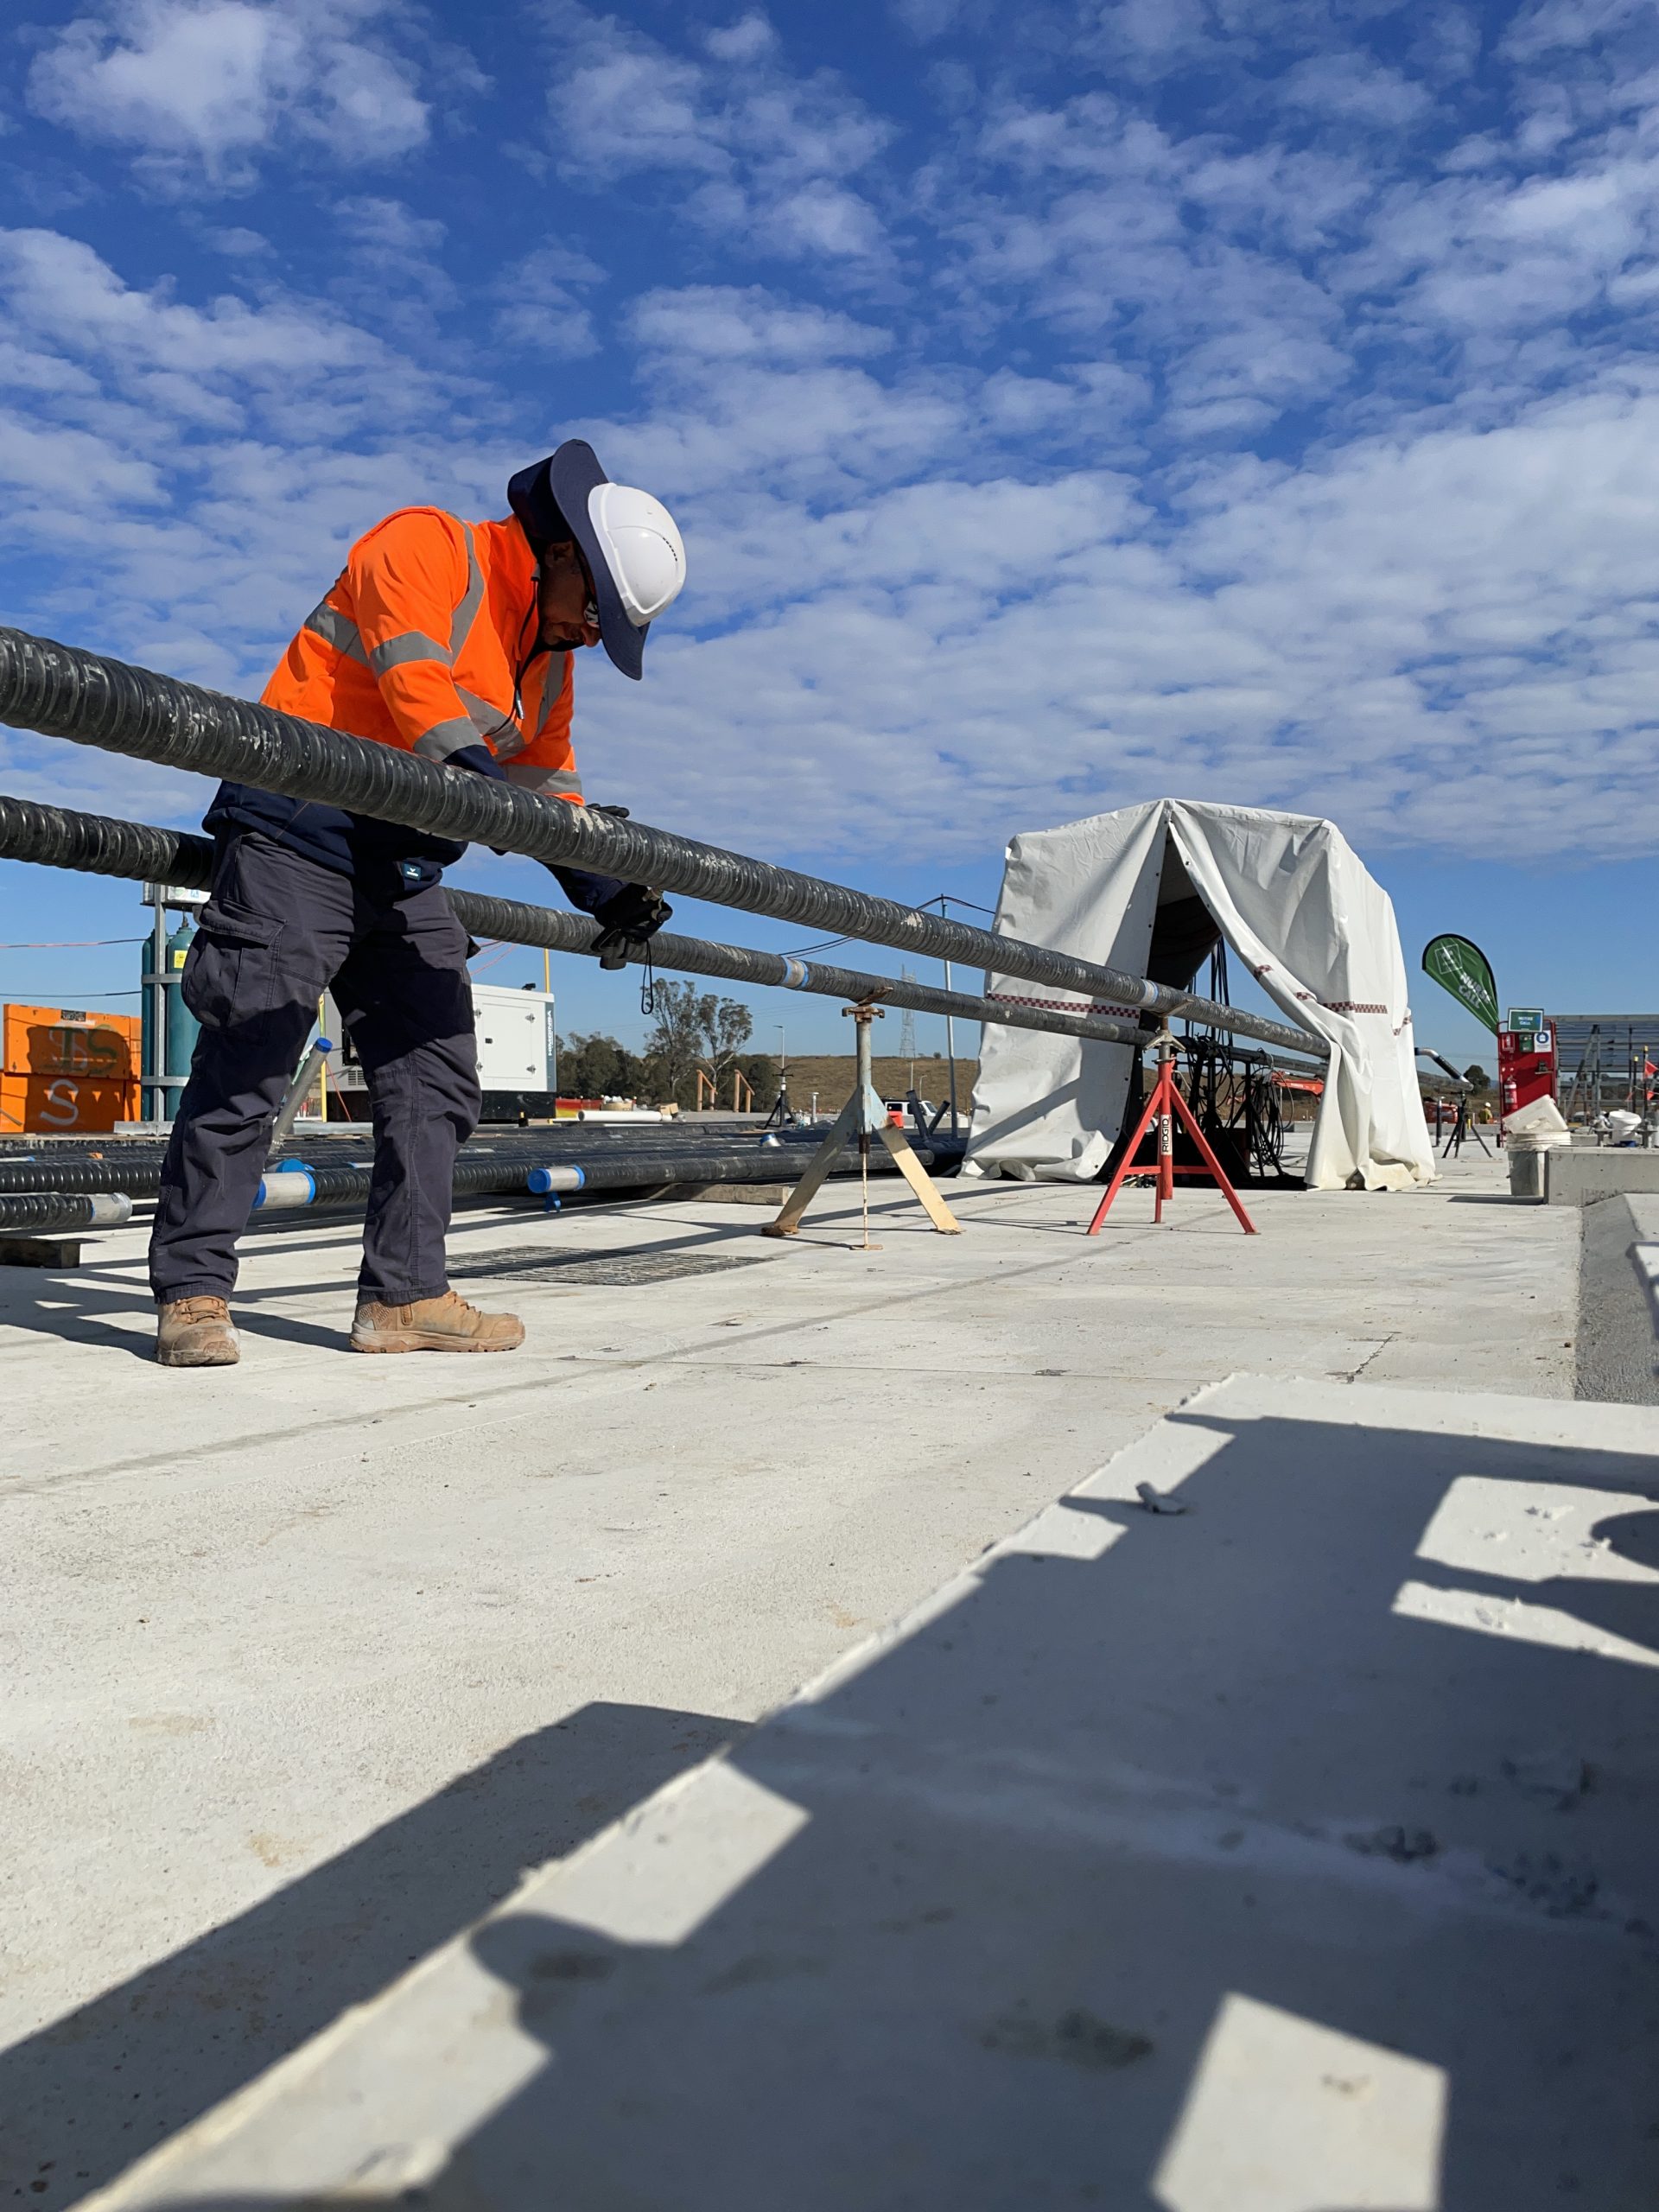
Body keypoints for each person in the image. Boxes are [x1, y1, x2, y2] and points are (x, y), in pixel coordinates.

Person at [149, 439, 685, 1369]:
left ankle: (404, 1296)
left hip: (402, 867)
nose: (594, 635)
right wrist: (489, 795)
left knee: (437, 1076)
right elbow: (417, 692)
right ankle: (193, 1291)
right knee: (252, 1055)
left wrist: (603, 882)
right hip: (299, 829)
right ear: (563, 553)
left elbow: (549, 785)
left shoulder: (547, 664)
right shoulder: (429, 545)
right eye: (597, 609)